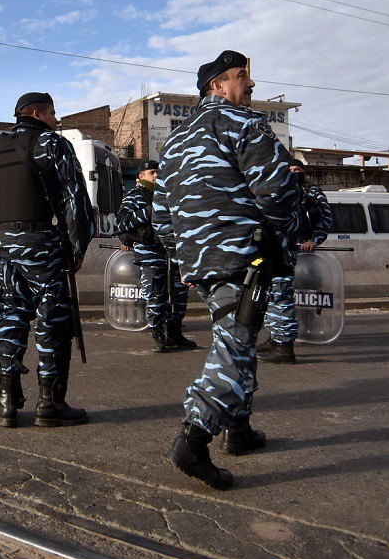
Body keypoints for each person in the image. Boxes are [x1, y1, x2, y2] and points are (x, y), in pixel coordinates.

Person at [153, 50, 299, 490]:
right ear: (217, 85)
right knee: (235, 347)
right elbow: (277, 190)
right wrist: (281, 242)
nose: (250, 85)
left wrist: (183, 256)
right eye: (241, 77)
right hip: (244, 257)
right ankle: (194, 441)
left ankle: (240, 430)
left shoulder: (174, 142)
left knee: (237, 338)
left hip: (201, 262)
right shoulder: (246, 124)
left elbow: (161, 215)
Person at [0, 91, 95, 428]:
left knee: (11, 315)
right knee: (52, 319)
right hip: (43, 244)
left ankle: (7, 402)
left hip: (3, 247)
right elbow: (76, 199)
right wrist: (77, 245)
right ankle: (49, 404)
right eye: (53, 113)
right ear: (38, 114)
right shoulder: (54, 144)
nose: (57, 120)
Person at [115, 160, 195, 352]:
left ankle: (175, 331)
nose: (156, 176)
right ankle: (157, 332)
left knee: (179, 294)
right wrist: (151, 211)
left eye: (158, 172)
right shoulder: (135, 197)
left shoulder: (169, 195)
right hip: (151, 254)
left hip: (173, 254)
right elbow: (121, 223)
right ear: (141, 177)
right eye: (152, 172)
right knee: (155, 294)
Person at [260, 161, 334, 364]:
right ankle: (274, 337)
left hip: (300, 251)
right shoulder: (278, 190)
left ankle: (284, 345)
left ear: (304, 173)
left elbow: (325, 218)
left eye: (297, 171)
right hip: (278, 249)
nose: (293, 174)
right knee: (272, 295)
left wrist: (314, 240)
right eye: (290, 171)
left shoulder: (311, 192)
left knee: (283, 296)